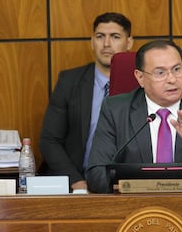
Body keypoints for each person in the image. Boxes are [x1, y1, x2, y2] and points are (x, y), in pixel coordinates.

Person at [85, 39, 182, 193]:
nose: (172, 79)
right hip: (135, 210)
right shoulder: (116, 110)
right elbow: (96, 176)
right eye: (160, 73)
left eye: (177, 69)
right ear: (140, 77)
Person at [39, 13, 133, 191]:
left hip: (125, 183)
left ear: (128, 42)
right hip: (76, 181)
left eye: (115, 37)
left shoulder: (142, 83)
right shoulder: (69, 81)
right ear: (92, 41)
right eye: (100, 37)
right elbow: (49, 140)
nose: (106, 44)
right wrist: (76, 182)